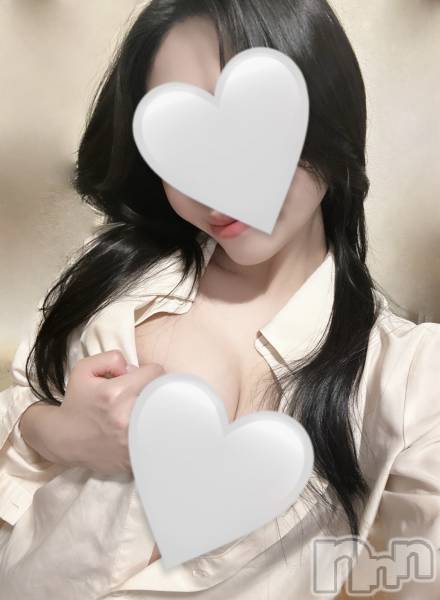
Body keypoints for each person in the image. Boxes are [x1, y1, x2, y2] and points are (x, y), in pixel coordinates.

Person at [1, 0, 439, 598]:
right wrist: (57, 432)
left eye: (253, 128)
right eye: (182, 141)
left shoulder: (407, 378)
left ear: (325, 112)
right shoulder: (111, 272)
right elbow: (24, 404)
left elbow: (415, 569)